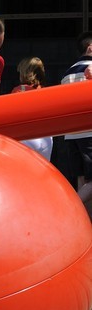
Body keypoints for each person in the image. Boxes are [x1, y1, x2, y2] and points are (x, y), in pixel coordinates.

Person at [60, 32, 92, 196]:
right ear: (90, 48)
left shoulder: (67, 72)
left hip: (72, 133)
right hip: (89, 131)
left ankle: (81, 212)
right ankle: (72, 205)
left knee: (81, 179)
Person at [12, 57, 52, 160]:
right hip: (46, 138)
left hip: (26, 136)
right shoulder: (46, 92)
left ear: (24, 72)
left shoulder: (18, 91)